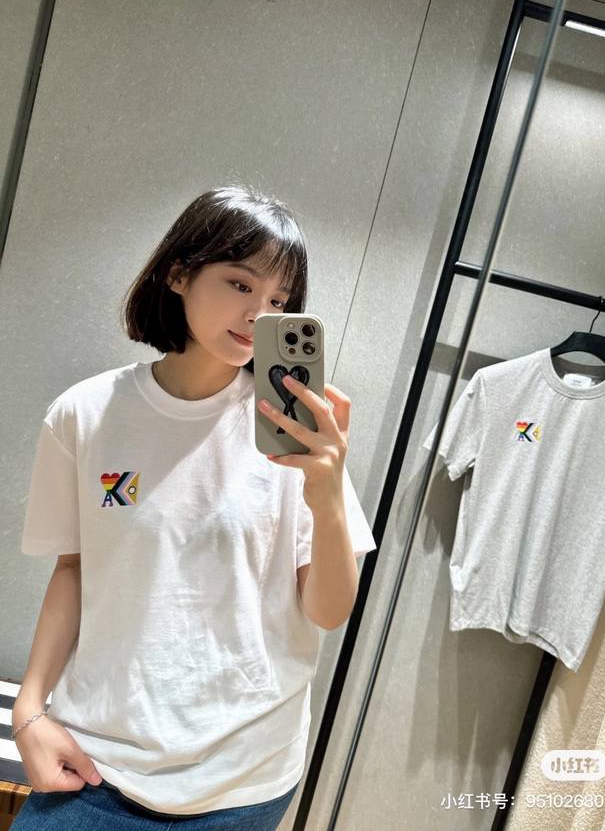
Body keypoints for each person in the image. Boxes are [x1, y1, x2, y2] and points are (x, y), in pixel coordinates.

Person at [11, 185, 378, 829]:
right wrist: (29, 710)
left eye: (279, 301)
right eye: (240, 284)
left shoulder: (292, 430)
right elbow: (74, 568)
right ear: (178, 273)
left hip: (245, 776)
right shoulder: (86, 414)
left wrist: (327, 502)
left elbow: (326, 610)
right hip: (97, 759)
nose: (258, 313)